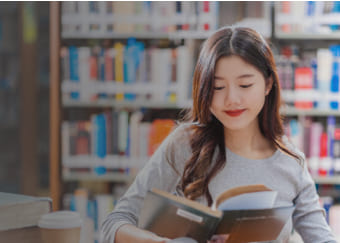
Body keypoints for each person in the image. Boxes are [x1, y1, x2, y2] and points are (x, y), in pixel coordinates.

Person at [101, 26, 337, 243]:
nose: (231, 99)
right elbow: (115, 224)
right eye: (217, 87)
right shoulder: (185, 144)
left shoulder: (291, 161)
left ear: (267, 85)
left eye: (245, 85)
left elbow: (322, 238)